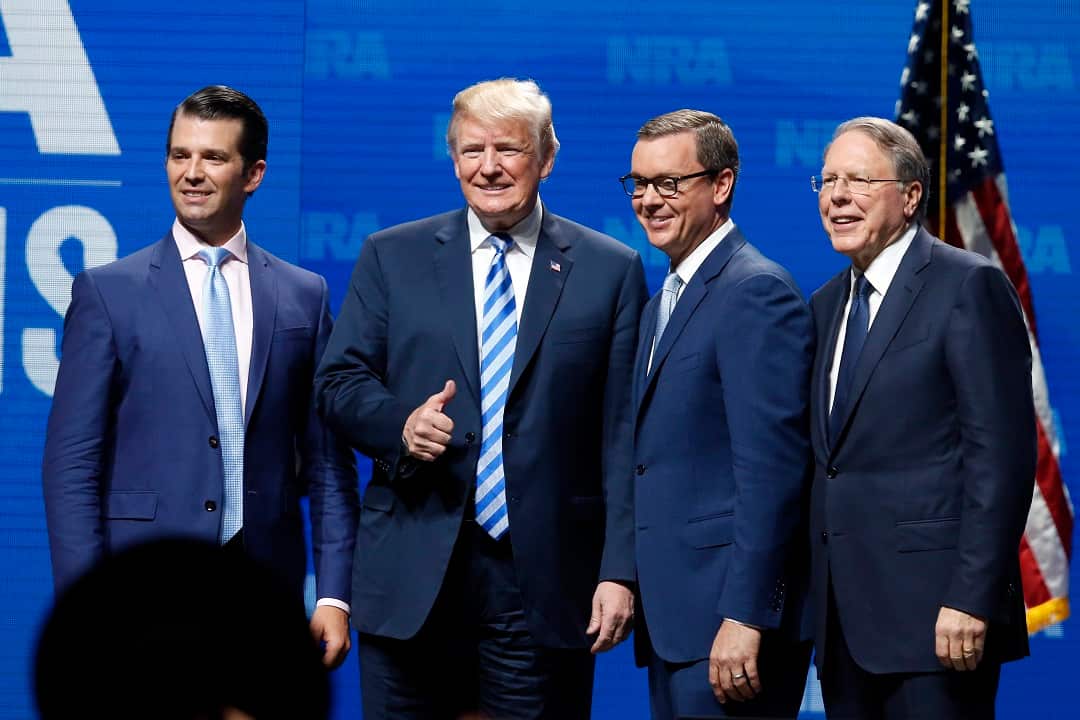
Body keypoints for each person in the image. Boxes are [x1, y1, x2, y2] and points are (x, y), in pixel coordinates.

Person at [315, 77, 648, 719]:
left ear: (547, 157)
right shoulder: (393, 256)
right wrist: (400, 426)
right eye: (471, 150)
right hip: (412, 567)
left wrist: (619, 570)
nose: (488, 167)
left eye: (508, 149)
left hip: (544, 581)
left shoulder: (610, 269)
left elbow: (624, 435)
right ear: (453, 157)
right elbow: (338, 382)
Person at [41, 85, 358, 669]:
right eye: (179, 155)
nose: (191, 173)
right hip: (141, 587)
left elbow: (329, 463)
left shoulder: (302, 296)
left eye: (213, 157)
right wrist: (86, 602)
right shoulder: (108, 293)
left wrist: (334, 593)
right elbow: (71, 466)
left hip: (265, 586)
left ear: (253, 173)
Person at [808, 116, 1036, 718]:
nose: (837, 196)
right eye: (828, 180)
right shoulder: (825, 304)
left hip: (940, 623)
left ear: (910, 197)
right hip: (845, 632)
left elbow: (1002, 460)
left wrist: (972, 597)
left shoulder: (968, 286)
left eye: (859, 180)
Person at [625, 109, 814, 719]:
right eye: (639, 184)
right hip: (677, 624)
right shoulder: (665, 300)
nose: (649, 200)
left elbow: (773, 472)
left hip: (729, 629)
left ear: (722, 184)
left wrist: (747, 614)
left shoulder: (754, 291)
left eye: (668, 184)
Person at [35, 538, 331, 720]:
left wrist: (333, 599)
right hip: (142, 591)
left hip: (263, 565)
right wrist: (89, 613)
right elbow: (73, 469)